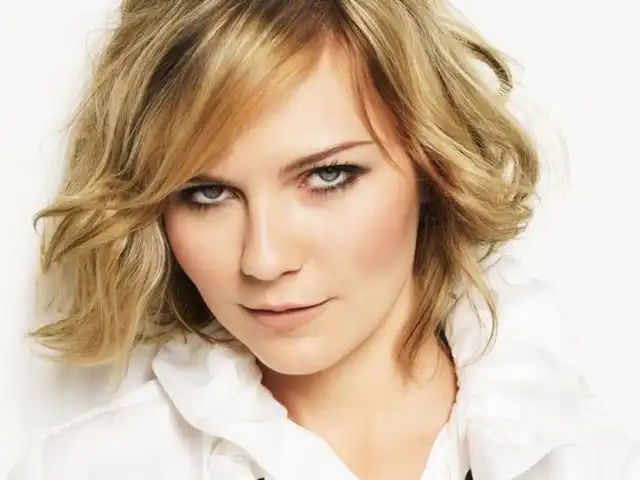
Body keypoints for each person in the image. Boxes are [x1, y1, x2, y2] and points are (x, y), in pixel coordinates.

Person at [8, 0, 640, 479]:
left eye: (328, 175)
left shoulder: (594, 461)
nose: (264, 259)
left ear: (430, 165)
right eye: (207, 193)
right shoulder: (89, 468)